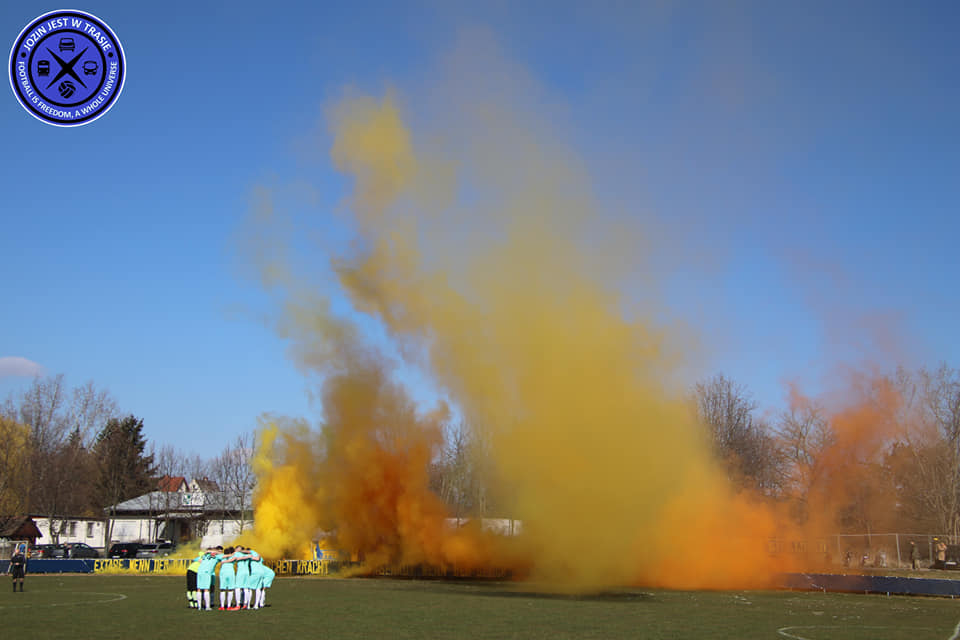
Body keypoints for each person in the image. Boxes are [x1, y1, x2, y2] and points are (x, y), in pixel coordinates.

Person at [197, 547, 220, 611]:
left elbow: (198, 560)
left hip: (200, 571)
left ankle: (199, 606)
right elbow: (223, 555)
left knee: (199, 589)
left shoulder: (205, 556)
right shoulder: (216, 557)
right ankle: (207, 606)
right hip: (206, 572)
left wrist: (208, 552)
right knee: (206, 589)